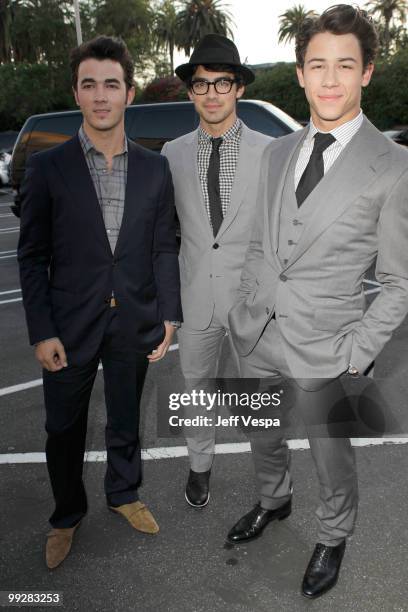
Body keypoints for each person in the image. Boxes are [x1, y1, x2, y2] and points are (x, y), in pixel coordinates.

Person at [226, 5, 408, 599]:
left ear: (367, 73)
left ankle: (333, 534)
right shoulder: (277, 153)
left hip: (328, 345)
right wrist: (243, 306)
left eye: (345, 66)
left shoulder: (395, 167)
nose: (330, 80)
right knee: (261, 433)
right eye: (317, 65)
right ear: (300, 74)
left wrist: (358, 349)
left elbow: (400, 281)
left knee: (331, 455)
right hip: (255, 331)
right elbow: (259, 241)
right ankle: (273, 501)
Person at [17, 35, 181, 569]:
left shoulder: (155, 169)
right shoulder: (49, 167)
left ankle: (124, 493)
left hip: (133, 318)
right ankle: (66, 515)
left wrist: (169, 315)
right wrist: (41, 331)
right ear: (77, 94)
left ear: (129, 93)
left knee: (126, 418)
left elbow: (162, 245)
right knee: (63, 427)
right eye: (90, 85)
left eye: (112, 84)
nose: (101, 95)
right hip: (68, 327)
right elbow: (32, 255)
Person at [162, 34, 272, 508]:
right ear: (190, 91)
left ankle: (272, 479)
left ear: (238, 89)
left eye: (221, 83)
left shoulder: (273, 151)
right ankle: (200, 467)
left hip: (251, 301)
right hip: (195, 298)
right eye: (201, 84)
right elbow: (165, 235)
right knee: (197, 393)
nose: (211, 93)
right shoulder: (171, 153)